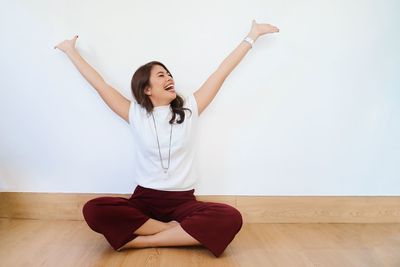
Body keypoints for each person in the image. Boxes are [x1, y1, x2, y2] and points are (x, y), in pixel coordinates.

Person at [54, 19, 279, 257]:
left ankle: (137, 241)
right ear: (146, 89)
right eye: (161, 75)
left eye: (169, 74)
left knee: (231, 218)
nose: (169, 78)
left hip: (183, 202)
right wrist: (71, 51)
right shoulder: (134, 114)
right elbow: (100, 85)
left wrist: (252, 36)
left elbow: (221, 72)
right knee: (94, 209)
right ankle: (178, 233)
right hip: (143, 200)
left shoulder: (191, 109)